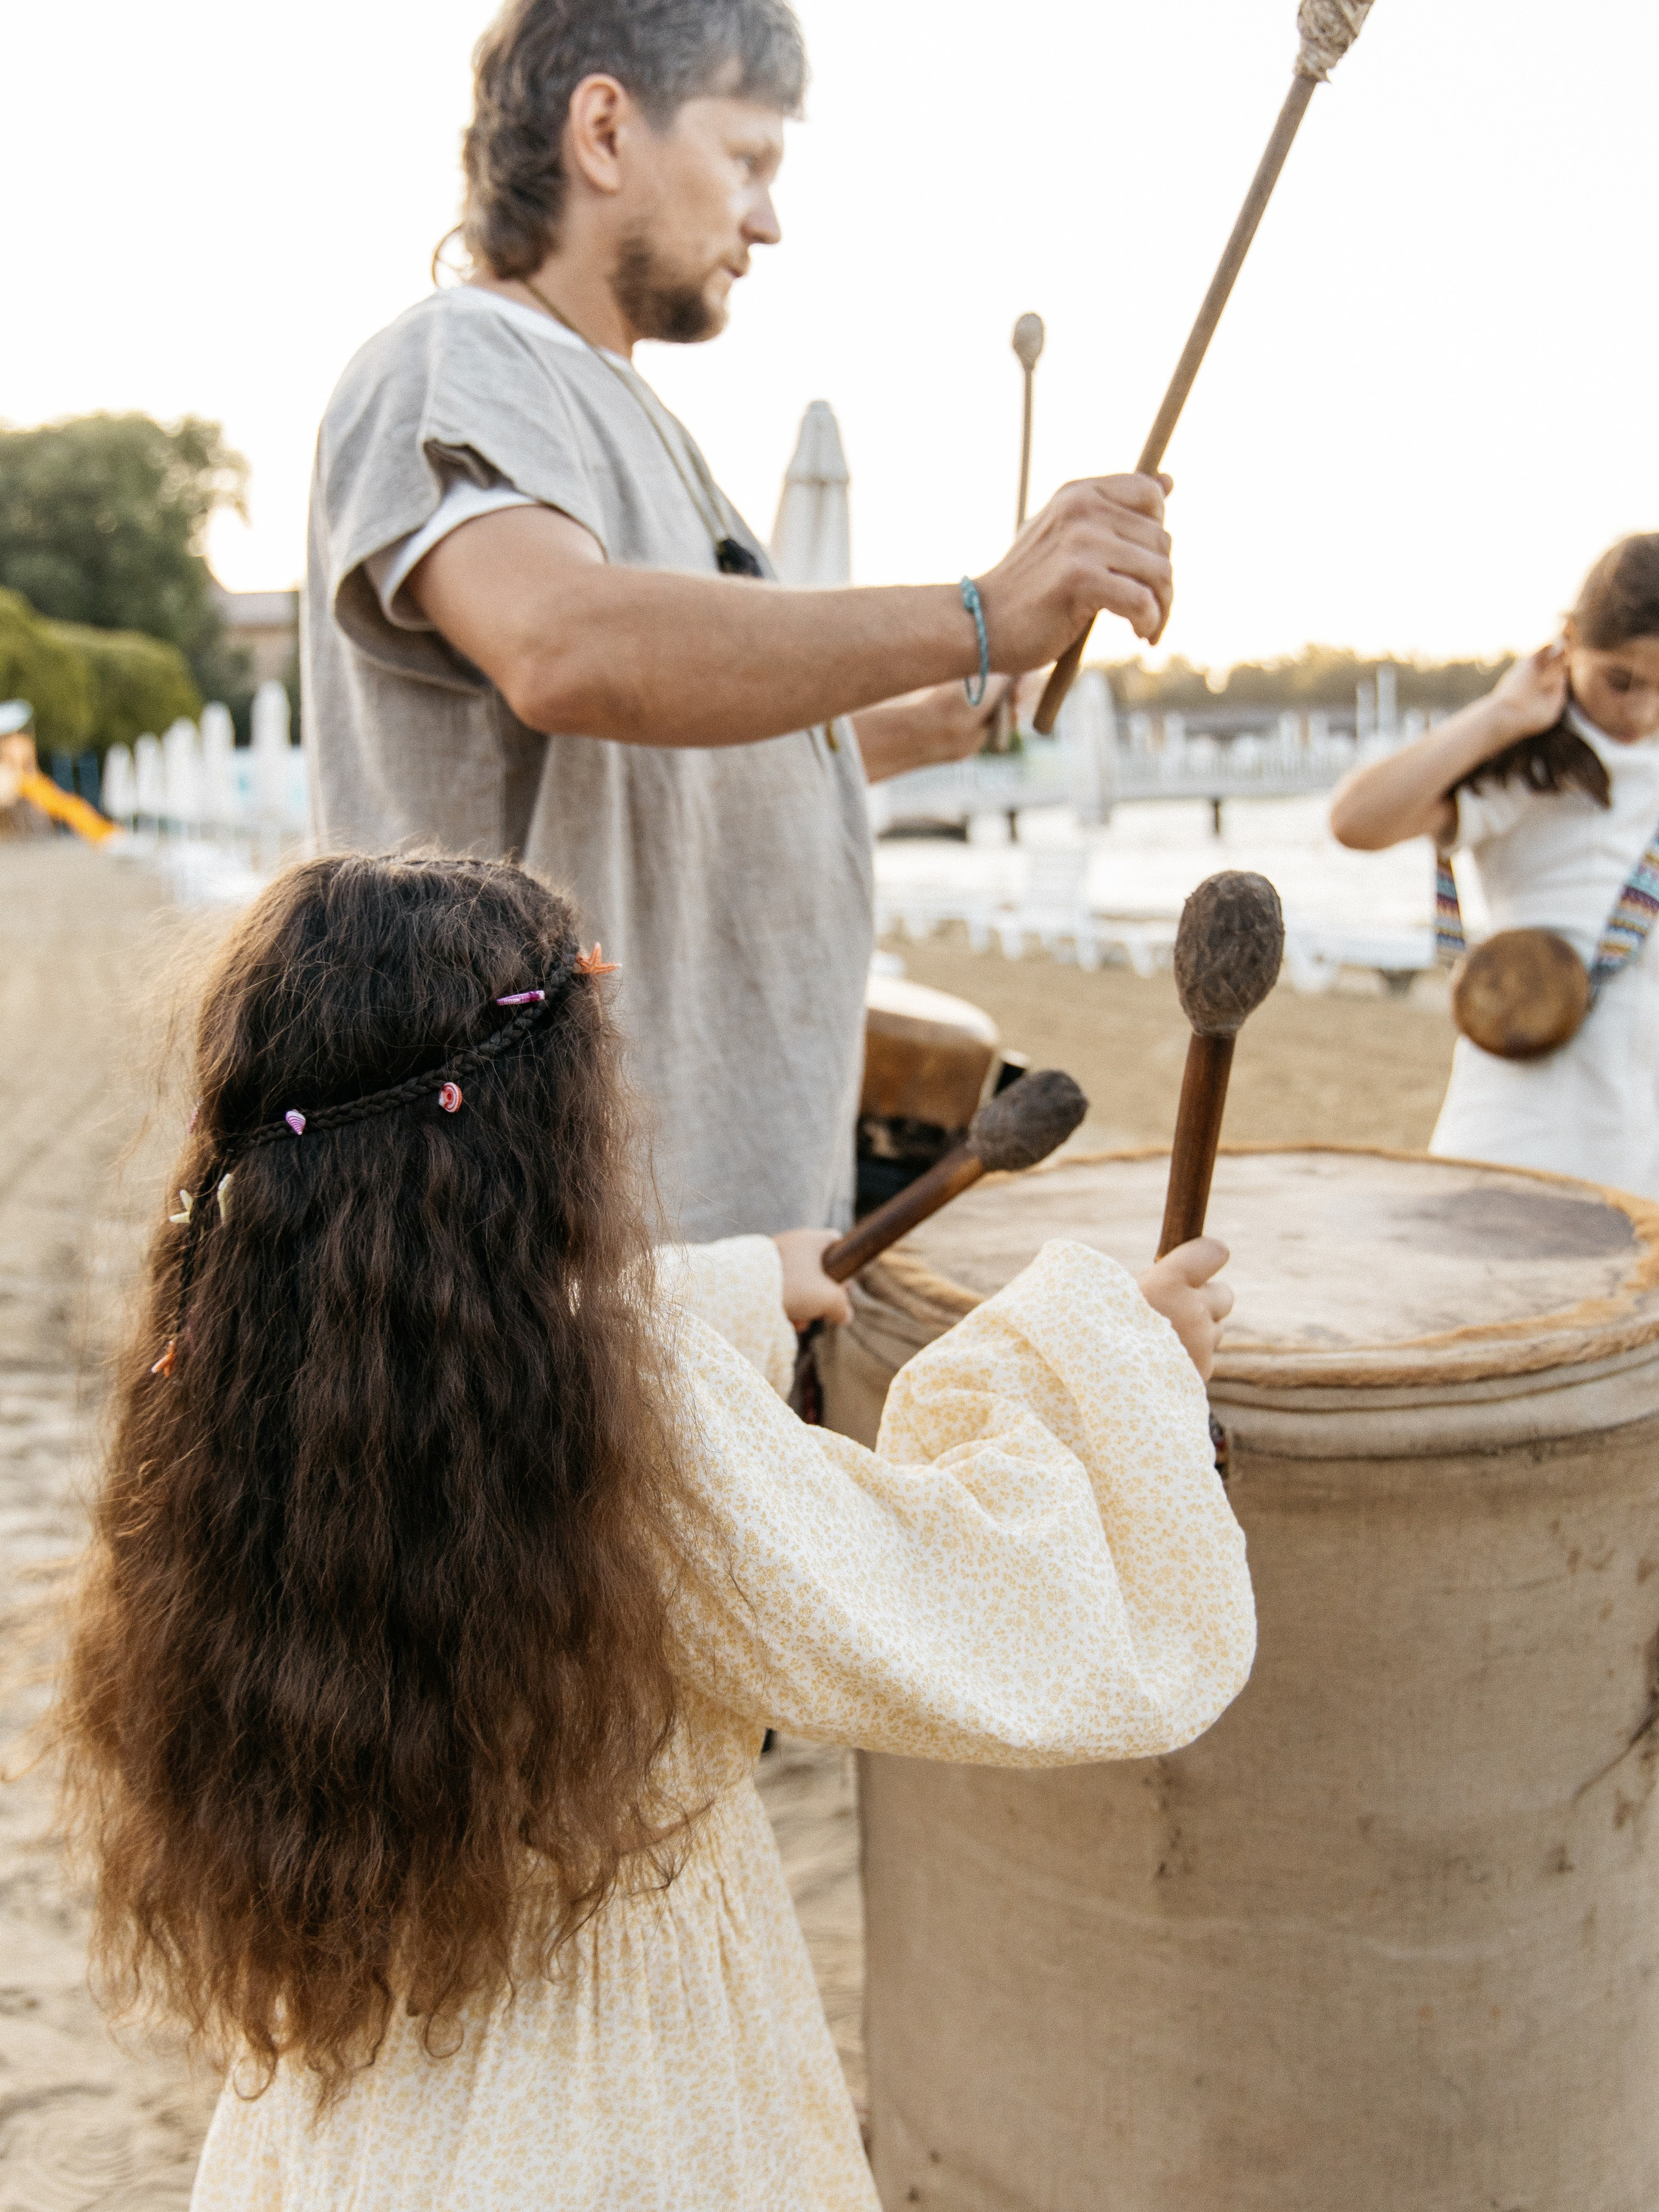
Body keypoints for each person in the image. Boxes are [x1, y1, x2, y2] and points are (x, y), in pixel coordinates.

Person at [56, 854, 1251, 2212]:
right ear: (543, 1123)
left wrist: (746, 1281)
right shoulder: (623, 1424)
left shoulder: (237, 1365)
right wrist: (1111, 1362)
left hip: (367, 2112)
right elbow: (958, 1602)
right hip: (625, 2111)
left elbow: (489, 1331)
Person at [304, 0, 1175, 1244]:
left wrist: (889, 732)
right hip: (528, 1259)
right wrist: (978, 614)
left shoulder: (619, 408)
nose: (768, 219)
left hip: (694, 1255)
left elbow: (635, 782)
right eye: (748, 158)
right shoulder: (458, 356)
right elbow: (565, 648)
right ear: (605, 129)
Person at [1330, 535, 1659, 1196]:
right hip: (1525, 1124)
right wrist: (1503, 713)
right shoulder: (1532, 763)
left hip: (1641, 1132)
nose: (1640, 710)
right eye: (1618, 680)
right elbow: (1355, 820)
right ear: (1566, 641)